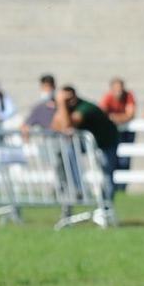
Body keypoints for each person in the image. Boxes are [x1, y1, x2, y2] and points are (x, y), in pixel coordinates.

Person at [53, 83, 121, 218]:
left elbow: (68, 125)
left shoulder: (86, 108)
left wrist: (61, 104)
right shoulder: (66, 109)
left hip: (106, 142)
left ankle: (106, 210)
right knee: (66, 156)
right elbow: (56, 126)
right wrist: (61, 107)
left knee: (107, 175)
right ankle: (74, 193)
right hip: (89, 143)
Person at [100, 76, 138, 194]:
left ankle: (122, 188)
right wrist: (120, 118)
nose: (119, 92)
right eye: (116, 89)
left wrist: (114, 118)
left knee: (125, 160)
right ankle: (113, 187)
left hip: (126, 132)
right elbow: (102, 114)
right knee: (112, 160)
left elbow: (130, 114)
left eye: (120, 89)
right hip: (112, 133)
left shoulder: (129, 96)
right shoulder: (107, 97)